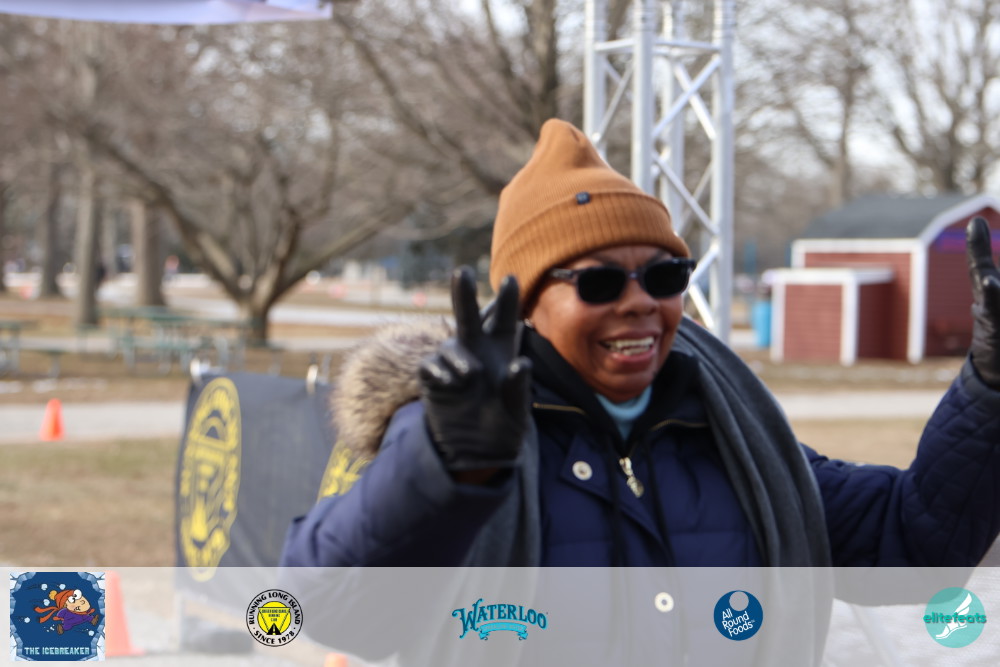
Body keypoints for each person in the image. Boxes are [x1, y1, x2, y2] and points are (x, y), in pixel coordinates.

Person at [280, 119, 1000, 663]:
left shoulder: (735, 436)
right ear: (525, 304)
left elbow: (912, 544)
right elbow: (327, 607)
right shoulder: (457, 432)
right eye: (598, 281)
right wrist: (446, 473)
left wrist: (990, 386)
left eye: (664, 276)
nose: (639, 302)